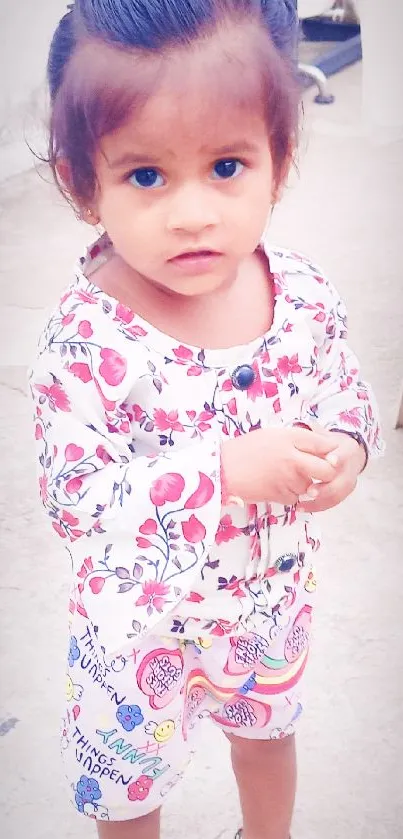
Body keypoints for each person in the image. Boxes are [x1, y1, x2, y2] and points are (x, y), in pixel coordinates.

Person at [29, 2, 383, 838]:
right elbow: (76, 497)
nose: (192, 212)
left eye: (227, 165)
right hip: (136, 634)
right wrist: (220, 469)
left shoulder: (300, 294)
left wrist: (347, 449)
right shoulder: (85, 340)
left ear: (278, 159)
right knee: (129, 793)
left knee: (267, 741)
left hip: (268, 605)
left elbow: (344, 392)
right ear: (85, 186)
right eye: (145, 175)